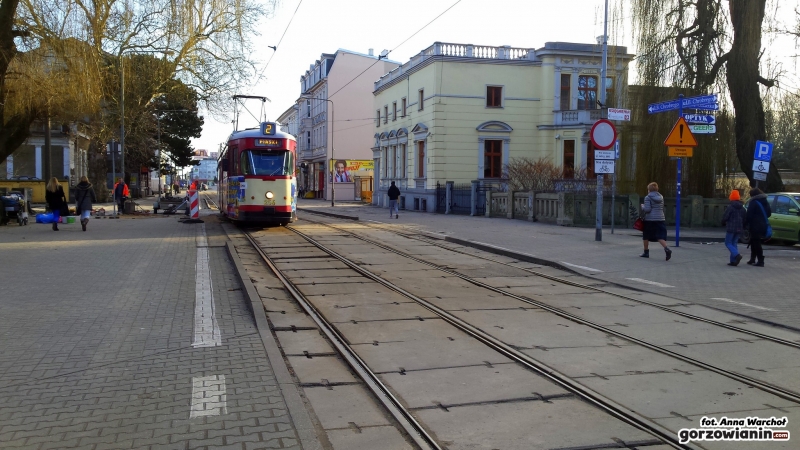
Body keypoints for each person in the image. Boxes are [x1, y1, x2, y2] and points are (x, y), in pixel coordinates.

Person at [640, 182, 672, 260]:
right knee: (660, 236)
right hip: (660, 219)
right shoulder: (661, 197)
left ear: (649, 190)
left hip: (650, 219)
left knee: (646, 236)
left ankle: (646, 252)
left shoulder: (648, 197)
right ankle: (667, 249)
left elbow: (648, 210)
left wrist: (642, 206)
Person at [744, 187, 771, 267]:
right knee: (753, 241)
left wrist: (745, 224)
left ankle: (760, 260)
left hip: (755, 225)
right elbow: (769, 213)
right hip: (763, 224)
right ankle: (752, 259)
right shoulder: (765, 201)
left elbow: (749, 215)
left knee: (756, 242)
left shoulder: (753, 202)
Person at [721, 189, 746, 266]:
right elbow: (745, 218)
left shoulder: (730, 207)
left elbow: (725, 216)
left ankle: (737, 255)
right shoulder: (742, 208)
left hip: (731, 227)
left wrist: (722, 222)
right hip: (739, 227)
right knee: (734, 243)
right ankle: (733, 261)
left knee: (728, 243)